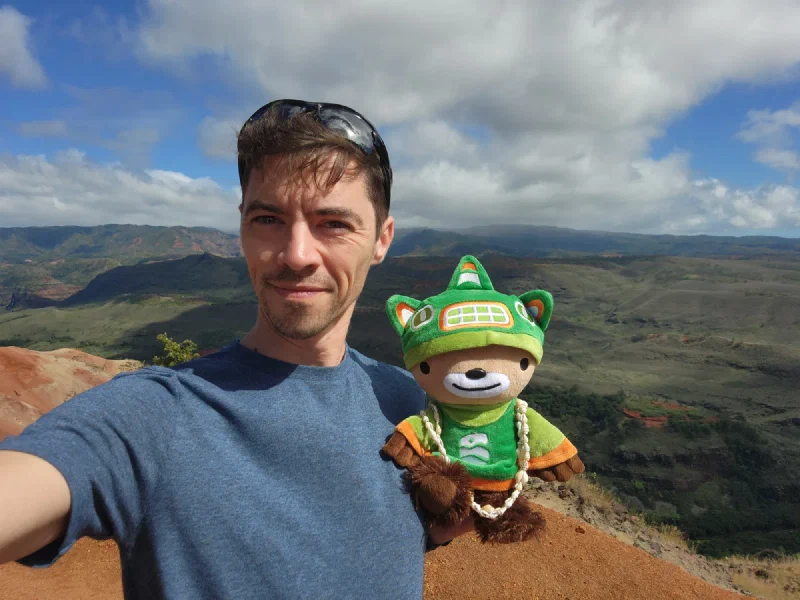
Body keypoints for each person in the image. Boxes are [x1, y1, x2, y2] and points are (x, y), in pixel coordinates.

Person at [0, 99, 472, 599]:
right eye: (268, 218)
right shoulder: (154, 416)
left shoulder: (408, 402)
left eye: (333, 223)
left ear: (382, 239)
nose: (296, 255)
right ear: (242, 227)